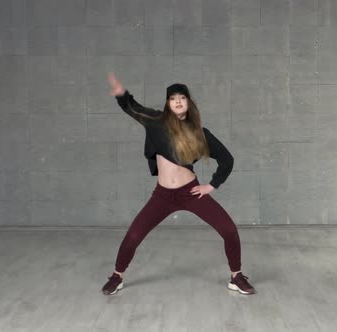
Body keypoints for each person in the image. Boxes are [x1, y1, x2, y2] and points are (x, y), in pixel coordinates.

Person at [101, 73, 256, 295]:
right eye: (173, 98)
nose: (178, 101)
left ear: (188, 102)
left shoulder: (199, 134)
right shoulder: (155, 122)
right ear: (168, 103)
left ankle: (236, 276)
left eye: (182, 97)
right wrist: (121, 94)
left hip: (190, 192)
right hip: (163, 196)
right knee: (134, 235)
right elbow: (132, 107)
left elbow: (227, 160)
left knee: (229, 229)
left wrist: (211, 186)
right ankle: (117, 276)